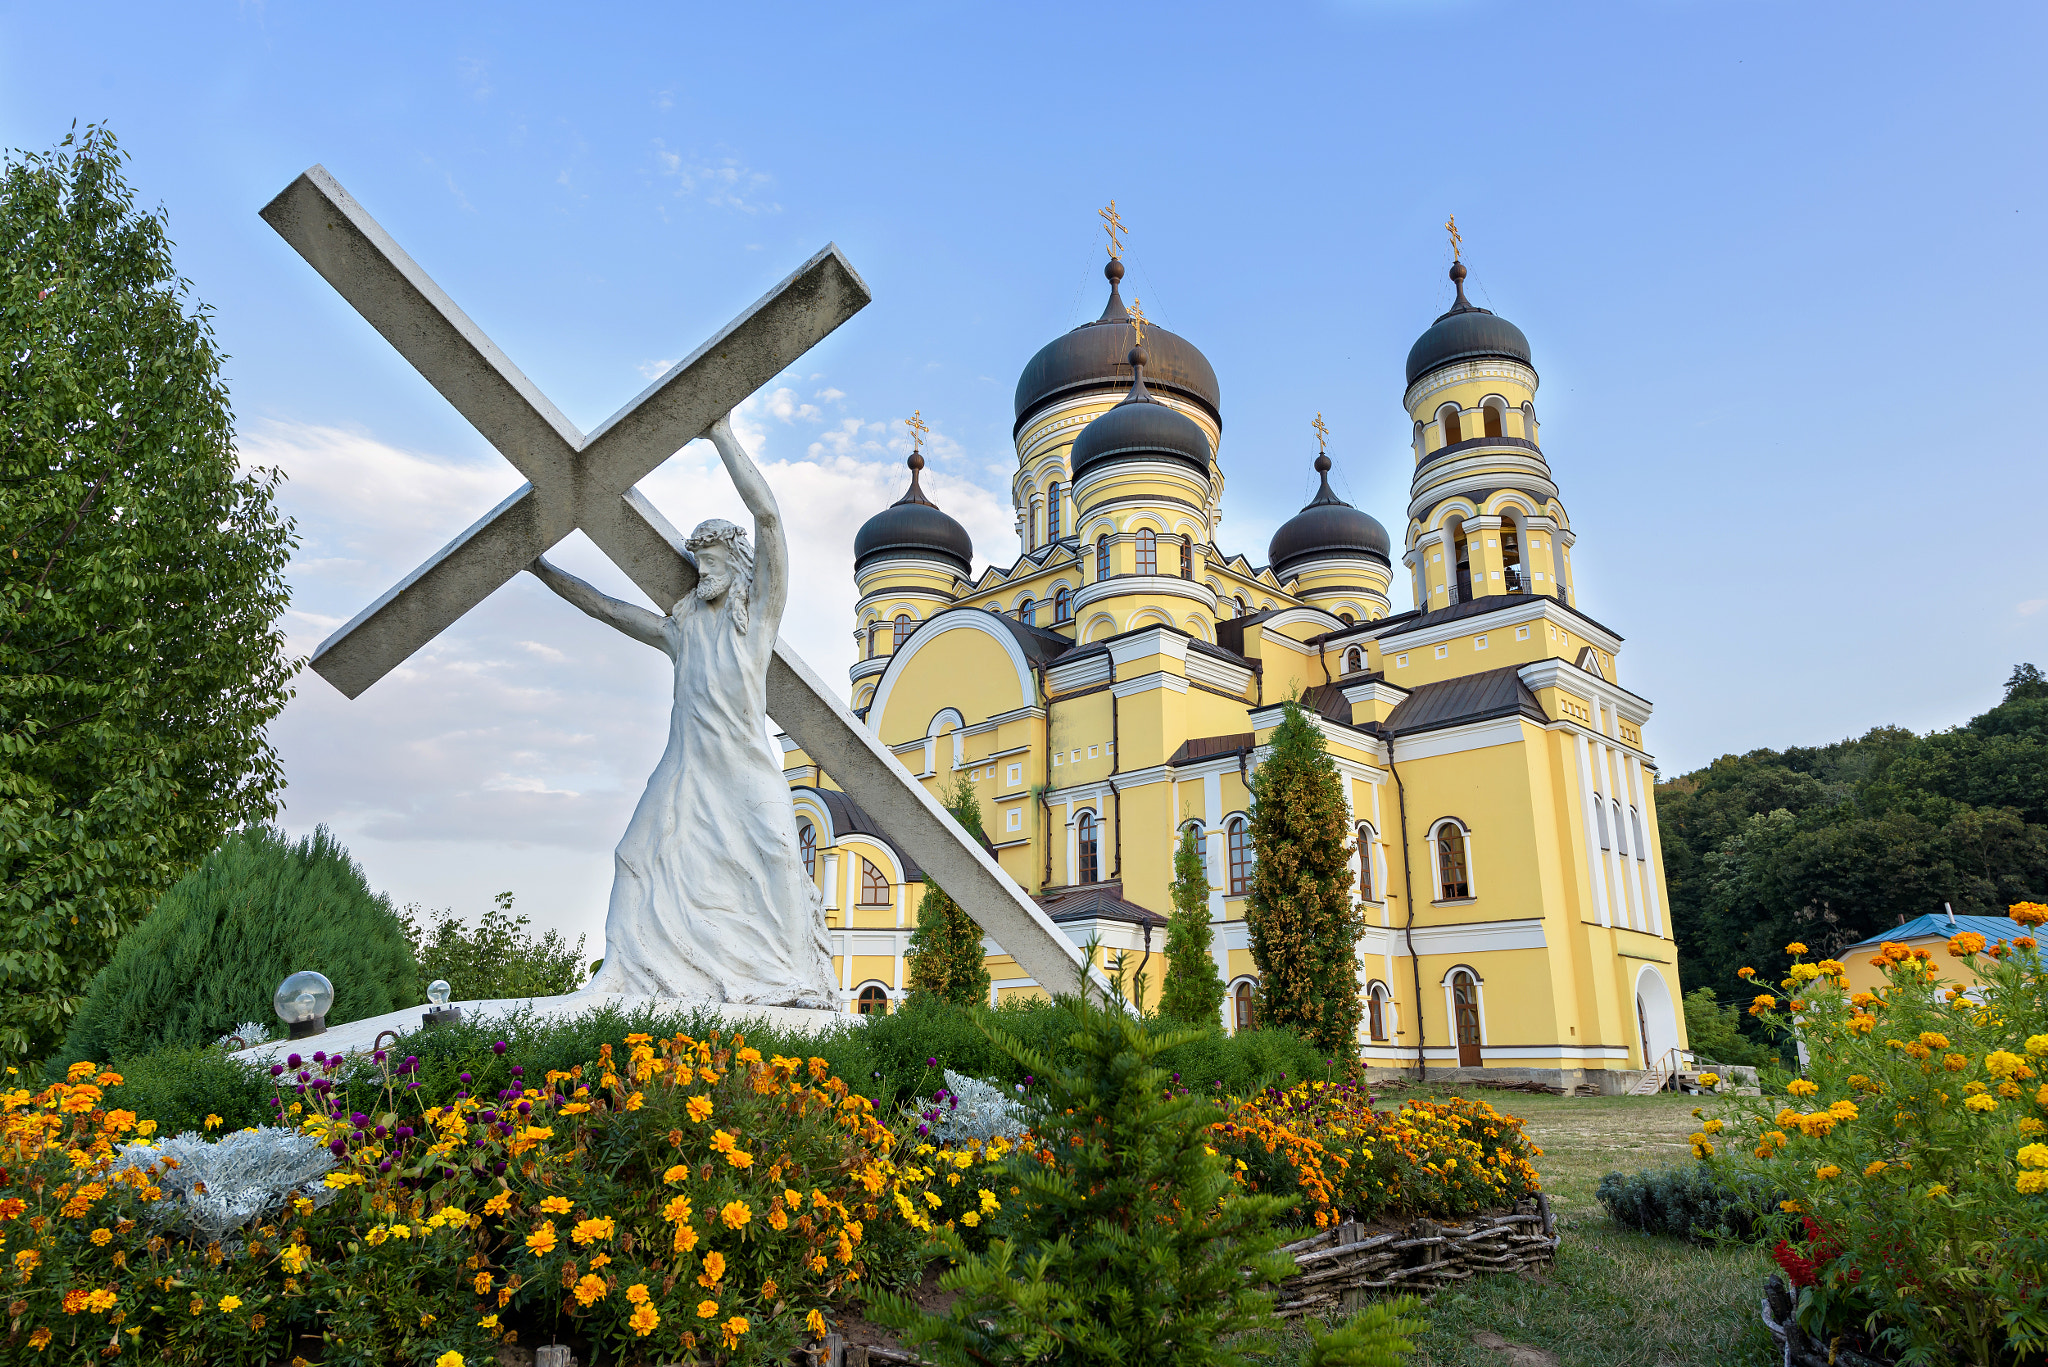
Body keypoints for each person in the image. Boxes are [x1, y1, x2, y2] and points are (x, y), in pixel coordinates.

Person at [527, 416, 834, 1007]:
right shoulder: (683, 629)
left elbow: (768, 518)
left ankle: (797, 980)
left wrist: (719, 433)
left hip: (746, 772)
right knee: (633, 854)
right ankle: (620, 974)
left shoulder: (758, 620)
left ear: (737, 563)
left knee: (777, 861)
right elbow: (609, 610)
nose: (704, 570)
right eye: (699, 562)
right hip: (688, 770)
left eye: (714, 558)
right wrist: (541, 569)